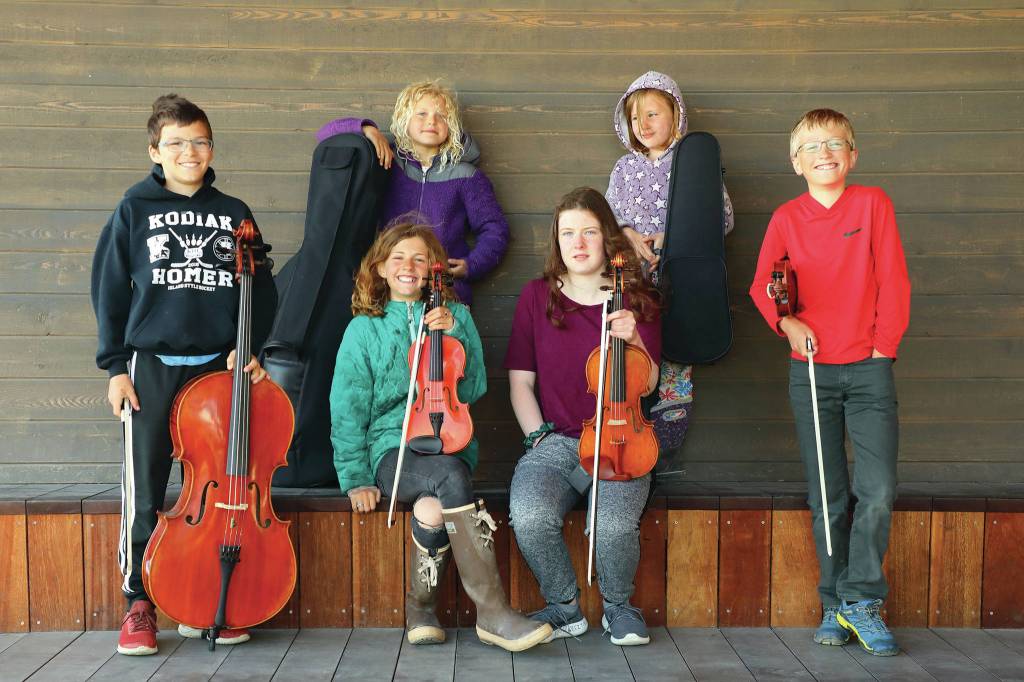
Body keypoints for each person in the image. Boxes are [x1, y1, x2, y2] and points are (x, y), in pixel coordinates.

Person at [91, 94, 276, 656]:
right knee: (144, 489)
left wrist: (252, 348)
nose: (188, 152)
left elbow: (261, 288)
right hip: (150, 366)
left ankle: (203, 602)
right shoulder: (133, 208)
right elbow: (108, 289)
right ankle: (139, 602)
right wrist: (115, 367)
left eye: (198, 141)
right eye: (175, 143)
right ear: (155, 151)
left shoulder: (234, 211)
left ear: (211, 147)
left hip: (218, 369)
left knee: (217, 491)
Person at [329, 223, 550, 651]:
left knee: (432, 508)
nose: (408, 267)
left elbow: (473, 389)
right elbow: (348, 407)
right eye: (398, 258)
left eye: (419, 259)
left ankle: (421, 609)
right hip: (392, 449)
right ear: (379, 268)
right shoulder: (364, 328)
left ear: (434, 271)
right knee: (448, 477)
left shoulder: (458, 318)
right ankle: (493, 614)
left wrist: (454, 333)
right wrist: (355, 477)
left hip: (450, 439)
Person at [748, 108, 910, 656]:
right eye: (812, 146)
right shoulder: (785, 218)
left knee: (878, 490)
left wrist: (882, 349)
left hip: (867, 369)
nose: (825, 152)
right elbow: (762, 289)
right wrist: (786, 322)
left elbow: (894, 281)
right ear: (796, 163)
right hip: (811, 372)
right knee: (828, 495)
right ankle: (835, 603)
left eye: (836, 143)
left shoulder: (872, 204)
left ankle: (862, 599)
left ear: (853, 156)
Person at [505, 187, 661, 646]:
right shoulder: (537, 297)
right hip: (557, 441)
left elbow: (648, 382)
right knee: (529, 513)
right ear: (557, 241)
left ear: (607, 239)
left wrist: (633, 340)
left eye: (589, 232)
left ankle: (618, 608)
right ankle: (564, 607)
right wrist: (537, 438)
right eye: (568, 233)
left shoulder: (636, 300)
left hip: (621, 438)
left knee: (613, 525)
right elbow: (521, 383)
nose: (578, 242)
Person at [605, 70, 734, 450]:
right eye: (635, 117)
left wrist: (673, 236)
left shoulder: (694, 163)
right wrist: (627, 233)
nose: (643, 125)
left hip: (681, 281)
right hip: (633, 282)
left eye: (653, 114)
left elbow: (722, 218)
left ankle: (668, 435)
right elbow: (606, 217)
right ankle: (626, 429)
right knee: (636, 350)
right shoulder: (624, 170)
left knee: (677, 350)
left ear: (675, 115)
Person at [316, 79, 509, 305]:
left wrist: (472, 265)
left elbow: (495, 229)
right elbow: (325, 134)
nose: (432, 121)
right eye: (421, 114)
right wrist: (367, 131)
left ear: (452, 126)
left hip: (444, 288)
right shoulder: (385, 159)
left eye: (441, 116)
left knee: (443, 339)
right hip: (390, 285)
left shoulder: (467, 176)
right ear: (403, 119)